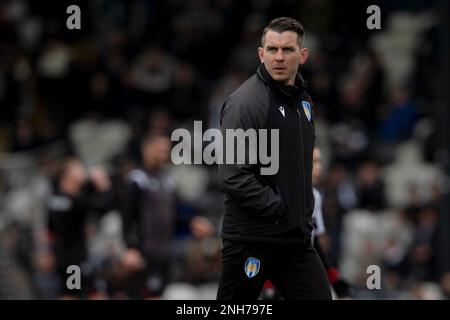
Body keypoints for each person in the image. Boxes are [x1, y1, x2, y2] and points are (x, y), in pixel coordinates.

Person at [217, 17, 332, 300]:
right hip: (251, 241)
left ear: (302, 55)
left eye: (287, 50)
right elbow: (233, 175)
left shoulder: (303, 101)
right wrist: (279, 207)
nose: (279, 57)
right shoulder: (246, 102)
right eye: (272, 49)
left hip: (295, 241)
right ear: (261, 54)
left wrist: (301, 214)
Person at [120, 133, 214, 299]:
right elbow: (127, 217)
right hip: (144, 251)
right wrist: (131, 248)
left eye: (166, 150)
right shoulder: (138, 179)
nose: (164, 153)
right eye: (159, 149)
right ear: (146, 150)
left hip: (164, 250)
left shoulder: (168, 179)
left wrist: (192, 222)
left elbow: (176, 213)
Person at [311, 147, 353, 299]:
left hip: (304, 267)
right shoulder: (280, 194)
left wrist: (333, 276)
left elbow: (315, 240)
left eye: (320, 161)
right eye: (314, 162)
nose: (320, 167)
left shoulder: (315, 196)